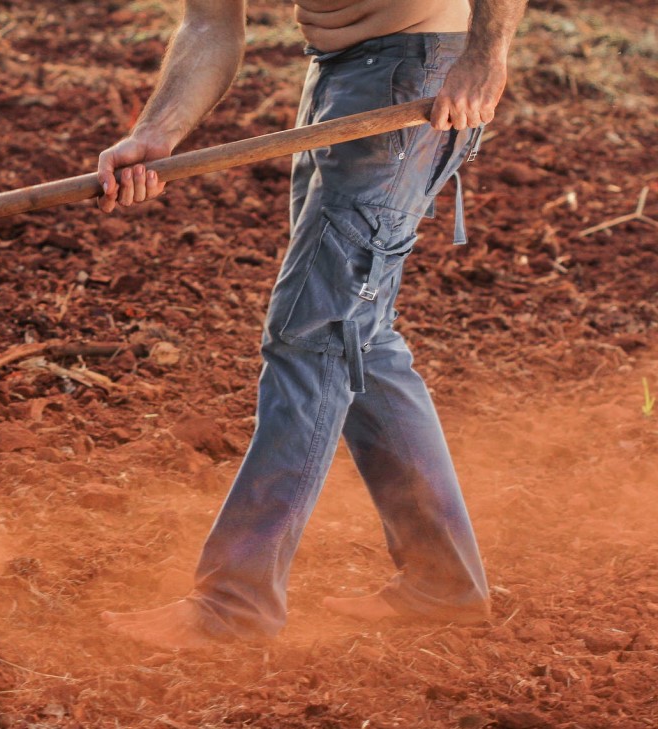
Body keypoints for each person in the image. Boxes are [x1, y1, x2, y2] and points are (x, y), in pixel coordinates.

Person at [96, 0, 528, 649]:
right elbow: (211, 24)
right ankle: (444, 580)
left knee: (315, 332)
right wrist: (157, 131)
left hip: (417, 73)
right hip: (341, 74)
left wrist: (486, 55)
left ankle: (234, 604)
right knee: (358, 334)